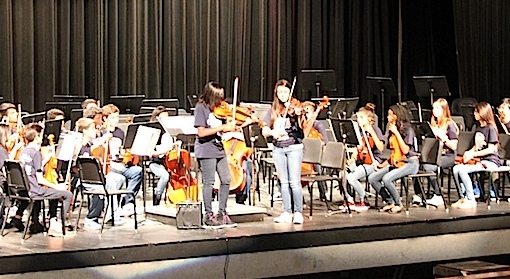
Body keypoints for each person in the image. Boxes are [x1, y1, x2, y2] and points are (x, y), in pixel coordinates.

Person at [194, 81, 237, 228]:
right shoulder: (201, 108)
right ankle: (208, 214)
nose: (221, 100)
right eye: (218, 97)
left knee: (226, 179)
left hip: (219, 148)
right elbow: (201, 132)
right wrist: (223, 126)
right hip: (206, 149)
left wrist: (233, 126)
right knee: (209, 182)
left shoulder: (220, 109)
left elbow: (223, 129)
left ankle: (222, 212)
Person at [262, 79, 305, 224]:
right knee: (284, 182)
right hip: (278, 148)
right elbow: (264, 129)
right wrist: (273, 133)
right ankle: (287, 211)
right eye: (280, 92)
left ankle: (298, 212)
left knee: (294, 182)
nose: (282, 95)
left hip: (293, 148)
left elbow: (302, 125)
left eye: (285, 92)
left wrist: (298, 113)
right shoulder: (273, 109)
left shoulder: (295, 107)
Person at [18, 124, 73, 237]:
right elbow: (40, 179)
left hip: (26, 188)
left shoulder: (24, 152)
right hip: (35, 190)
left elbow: (32, 169)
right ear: (37, 137)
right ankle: (57, 224)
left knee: (52, 190)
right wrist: (57, 186)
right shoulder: (36, 153)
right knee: (67, 194)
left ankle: (40, 221)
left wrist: (45, 160)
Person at [368, 104, 419, 214]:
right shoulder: (391, 130)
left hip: (410, 162)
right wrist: (383, 164)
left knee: (387, 179)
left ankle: (398, 203)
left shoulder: (408, 130)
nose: (387, 117)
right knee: (373, 178)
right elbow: (394, 153)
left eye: (390, 115)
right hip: (397, 162)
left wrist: (396, 133)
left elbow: (405, 151)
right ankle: (389, 201)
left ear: (396, 116)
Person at [452, 102, 501, 209]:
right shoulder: (479, 128)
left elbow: (491, 149)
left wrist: (473, 154)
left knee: (463, 170)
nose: (474, 113)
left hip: (491, 161)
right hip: (479, 160)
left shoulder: (491, 128)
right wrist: (469, 153)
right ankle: (463, 197)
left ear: (482, 113)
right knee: (456, 169)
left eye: (476, 111)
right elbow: (477, 145)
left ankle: (471, 199)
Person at [412, 98, 459, 207]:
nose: (434, 110)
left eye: (437, 108)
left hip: (447, 156)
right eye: (433, 108)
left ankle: (438, 195)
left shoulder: (449, 124)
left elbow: (454, 145)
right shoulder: (434, 124)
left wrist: (443, 138)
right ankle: (419, 194)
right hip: (434, 155)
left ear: (444, 110)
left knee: (429, 167)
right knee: (416, 165)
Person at [100, 104, 143, 217]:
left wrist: (124, 154)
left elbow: (122, 149)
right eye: (113, 118)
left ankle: (127, 202)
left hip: (119, 163)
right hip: (108, 165)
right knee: (119, 176)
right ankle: (114, 208)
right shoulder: (101, 132)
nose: (116, 120)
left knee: (137, 171)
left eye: (117, 117)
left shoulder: (119, 132)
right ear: (105, 118)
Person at [346, 104, 385, 212]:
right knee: (343, 174)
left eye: (361, 118)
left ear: (369, 119)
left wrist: (371, 132)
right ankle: (349, 199)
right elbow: (358, 148)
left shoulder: (375, 130)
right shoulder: (360, 131)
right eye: (358, 118)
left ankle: (364, 198)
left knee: (351, 178)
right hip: (362, 160)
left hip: (373, 162)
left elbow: (381, 148)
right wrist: (353, 158)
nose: (359, 120)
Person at [148, 106, 173, 205]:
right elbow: (149, 152)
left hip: (171, 162)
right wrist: (161, 151)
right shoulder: (153, 132)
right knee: (165, 176)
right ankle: (157, 196)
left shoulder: (170, 131)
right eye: (163, 118)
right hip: (156, 162)